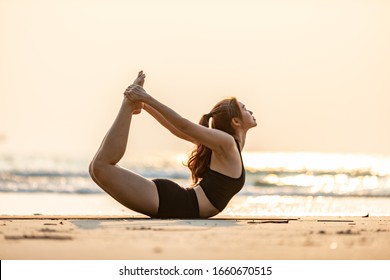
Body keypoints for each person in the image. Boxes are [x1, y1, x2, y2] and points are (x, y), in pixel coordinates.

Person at [89, 71, 257, 218]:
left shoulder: (224, 146)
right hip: (174, 203)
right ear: (235, 121)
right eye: (244, 108)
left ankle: (130, 103)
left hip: (174, 202)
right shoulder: (226, 143)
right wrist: (146, 100)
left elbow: (177, 130)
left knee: (97, 168)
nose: (250, 111)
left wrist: (145, 104)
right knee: (99, 167)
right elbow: (182, 126)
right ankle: (127, 104)